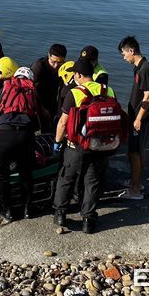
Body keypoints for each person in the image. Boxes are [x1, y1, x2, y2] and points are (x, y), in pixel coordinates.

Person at [52, 59, 118, 234]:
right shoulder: (108, 90)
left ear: (78, 75)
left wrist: (57, 142)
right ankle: (88, 219)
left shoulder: (75, 93)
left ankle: (60, 214)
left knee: (66, 178)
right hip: (101, 145)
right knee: (92, 181)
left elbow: (63, 122)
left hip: (77, 145)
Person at [0, 66, 39, 222]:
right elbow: (38, 118)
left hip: (3, 134)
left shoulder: (3, 90)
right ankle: (27, 209)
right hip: (24, 135)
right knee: (26, 173)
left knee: (2, 175)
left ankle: (7, 210)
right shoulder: (32, 92)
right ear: (30, 80)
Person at [118, 36, 149, 200]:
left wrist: (138, 119)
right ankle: (136, 181)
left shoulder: (145, 69)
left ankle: (135, 190)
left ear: (131, 50)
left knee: (135, 152)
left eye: (123, 54)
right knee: (138, 149)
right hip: (137, 116)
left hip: (143, 118)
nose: (123, 57)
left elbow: (148, 97)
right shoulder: (139, 67)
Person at [31, 44, 67, 133]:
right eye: (53, 61)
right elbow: (30, 88)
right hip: (38, 99)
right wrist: (41, 108)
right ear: (48, 55)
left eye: (59, 62)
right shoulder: (39, 66)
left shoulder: (65, 67)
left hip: (54, 98)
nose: (55, 66)